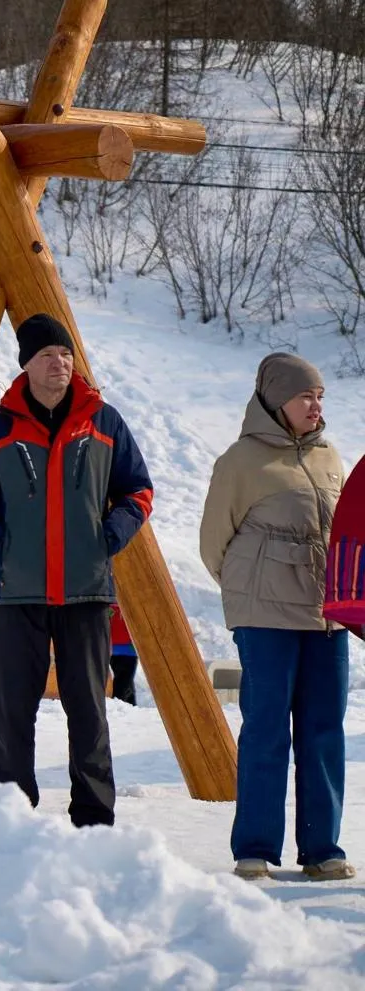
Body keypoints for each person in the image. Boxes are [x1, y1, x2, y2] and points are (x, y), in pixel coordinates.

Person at [0, 314, 152, 829]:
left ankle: (94, 819)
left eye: (65, 355)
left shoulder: (104, 422)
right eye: (47, 355)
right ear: (26, 365)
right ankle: (12, 816)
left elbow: (138, 490)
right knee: (13, 710)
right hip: (18, 594)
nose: (59, 363)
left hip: (86, 592)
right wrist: (3, 549)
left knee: (89, 709)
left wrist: (111, 536)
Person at [201, 352, 352, 881]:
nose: (315, 406)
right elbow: (213, 544)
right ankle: (255, 849)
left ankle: (323, 848)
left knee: (324, 729)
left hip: (326, 617)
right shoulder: (240, 462)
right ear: (275, 401)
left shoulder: (330, 456)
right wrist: (251, 595)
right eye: (305, 396)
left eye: (320, 396)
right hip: (265, 618)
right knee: (266, 730)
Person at [109, 608, 138, 706]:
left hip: (112, 648)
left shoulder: (109, 605)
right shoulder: (130, 605)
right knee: (124, 681)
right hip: (129, 650)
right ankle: (118, 705)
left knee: (125, 681)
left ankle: (131, 707)